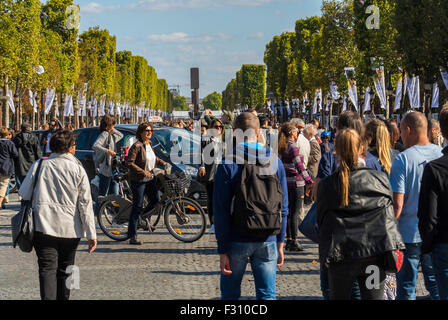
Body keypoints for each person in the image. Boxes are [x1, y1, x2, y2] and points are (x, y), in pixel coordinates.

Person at [317, 129, 405, 300]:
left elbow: (321, 221)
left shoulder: (328, 184)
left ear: (337, 150)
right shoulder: (379, 178)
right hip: (373, 254)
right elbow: (388, 215)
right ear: (361, 148)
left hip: (341, 256)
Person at [213, 112, 289, 300]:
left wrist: (222, 250)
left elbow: (220, 212)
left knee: (230, 295)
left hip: (236, 238)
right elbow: (284, 206)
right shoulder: (275, 161)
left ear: (235, 134)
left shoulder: (227, 164)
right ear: (259, 132)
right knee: (267, 295)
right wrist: (281, 241)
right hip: (268, 235)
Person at [18, 130, 97, 300]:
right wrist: (91, 234)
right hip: (71, 228)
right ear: (69, 147)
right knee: (69, 269)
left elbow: (23, 193)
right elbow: (85, 203)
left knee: (47, 269)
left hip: (43, 225)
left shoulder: (40, 165)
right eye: (74, 145)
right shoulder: (78, 169)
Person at [390, 111, 442, 300]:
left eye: (401, 131)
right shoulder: (441, 155)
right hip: (435, 232)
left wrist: (386, 232)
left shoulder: (402, 159)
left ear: (408, 130)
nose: (401, 136)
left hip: (408, 234)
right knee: (436, 285)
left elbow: (398, 204)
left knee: (406, 287)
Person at [418, 106, 448, 300]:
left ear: (442, 131)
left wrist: (427, 247)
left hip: (444, 244)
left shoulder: (435, 168)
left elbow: (429, 216)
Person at [126, 123, 168, 245]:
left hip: (150, 179)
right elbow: (129, 163)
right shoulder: (136, 146)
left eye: (151, 130)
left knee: (156, 199)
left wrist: (163, 163)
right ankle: (132, 236)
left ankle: (143, 218)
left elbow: (153, 159)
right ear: (141, 132)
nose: (150, 132)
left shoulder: (149, 145)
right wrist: (143, 172)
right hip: (138, 180)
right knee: (137, 206)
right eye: (147, 130)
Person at [278, 122, 313, 252]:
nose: (297, 133)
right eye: (296, 131)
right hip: (296, 183)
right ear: (292, 132)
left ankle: (288, 240)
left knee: (287, 213)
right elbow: (300, 166)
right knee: (295, 213)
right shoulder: (293, 147)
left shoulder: (281, 145)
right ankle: (294, 240)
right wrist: (309, 180)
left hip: (285, 182)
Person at [199, 118, 225, 234]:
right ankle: (213, 224)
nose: (218, 128)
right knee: (212, 200)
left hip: (223, 172)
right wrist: (202, 166)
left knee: (223, 199)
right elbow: (200, 154)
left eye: (220, 127)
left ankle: (223, 223)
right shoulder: (206, 139)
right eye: (215, 126)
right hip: (211, 173)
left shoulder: (225, 140)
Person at [93, 115, 123, 213]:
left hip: (112, 167)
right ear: (109, 124)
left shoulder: (110, 134)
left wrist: (112, 129)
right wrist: (108, 151)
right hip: (106, 168)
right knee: (103, 194)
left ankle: (116, 217)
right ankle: (99, 215)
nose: (114, 125)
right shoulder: (104, 134)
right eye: (113, 123)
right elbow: (96, 145)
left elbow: (120, 135)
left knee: (115, 194)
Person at [12, 123, 42, 190]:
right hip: (31, 161)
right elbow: (37, 151)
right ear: (29, 128)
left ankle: (22, 196)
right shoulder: (33, 137)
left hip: (20, 162)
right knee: (31, 181)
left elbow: (13, 151)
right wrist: (39, 161)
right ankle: (29, 197)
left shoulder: (17, 137)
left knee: (21, 181)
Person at [0, 127, 18, 209]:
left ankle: (3, 202)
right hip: (6, 166)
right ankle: (0, 202)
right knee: (4, 185)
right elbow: (15, 154)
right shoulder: (9, 143)